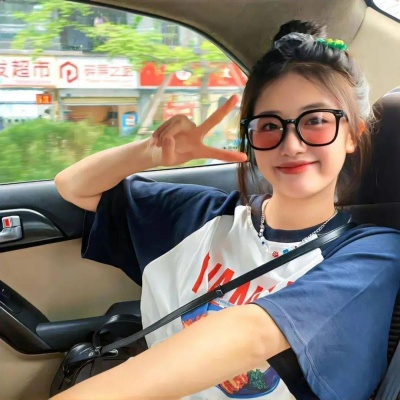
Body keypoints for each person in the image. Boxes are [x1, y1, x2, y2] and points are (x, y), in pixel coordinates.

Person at [53, 20, 400, 400]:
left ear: (352, 135)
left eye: (315, 121)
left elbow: (252, 333)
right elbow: (73, 186)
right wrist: (149, 153)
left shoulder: (373, 253)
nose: (291, 144)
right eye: (269, 124)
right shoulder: (200, 217)